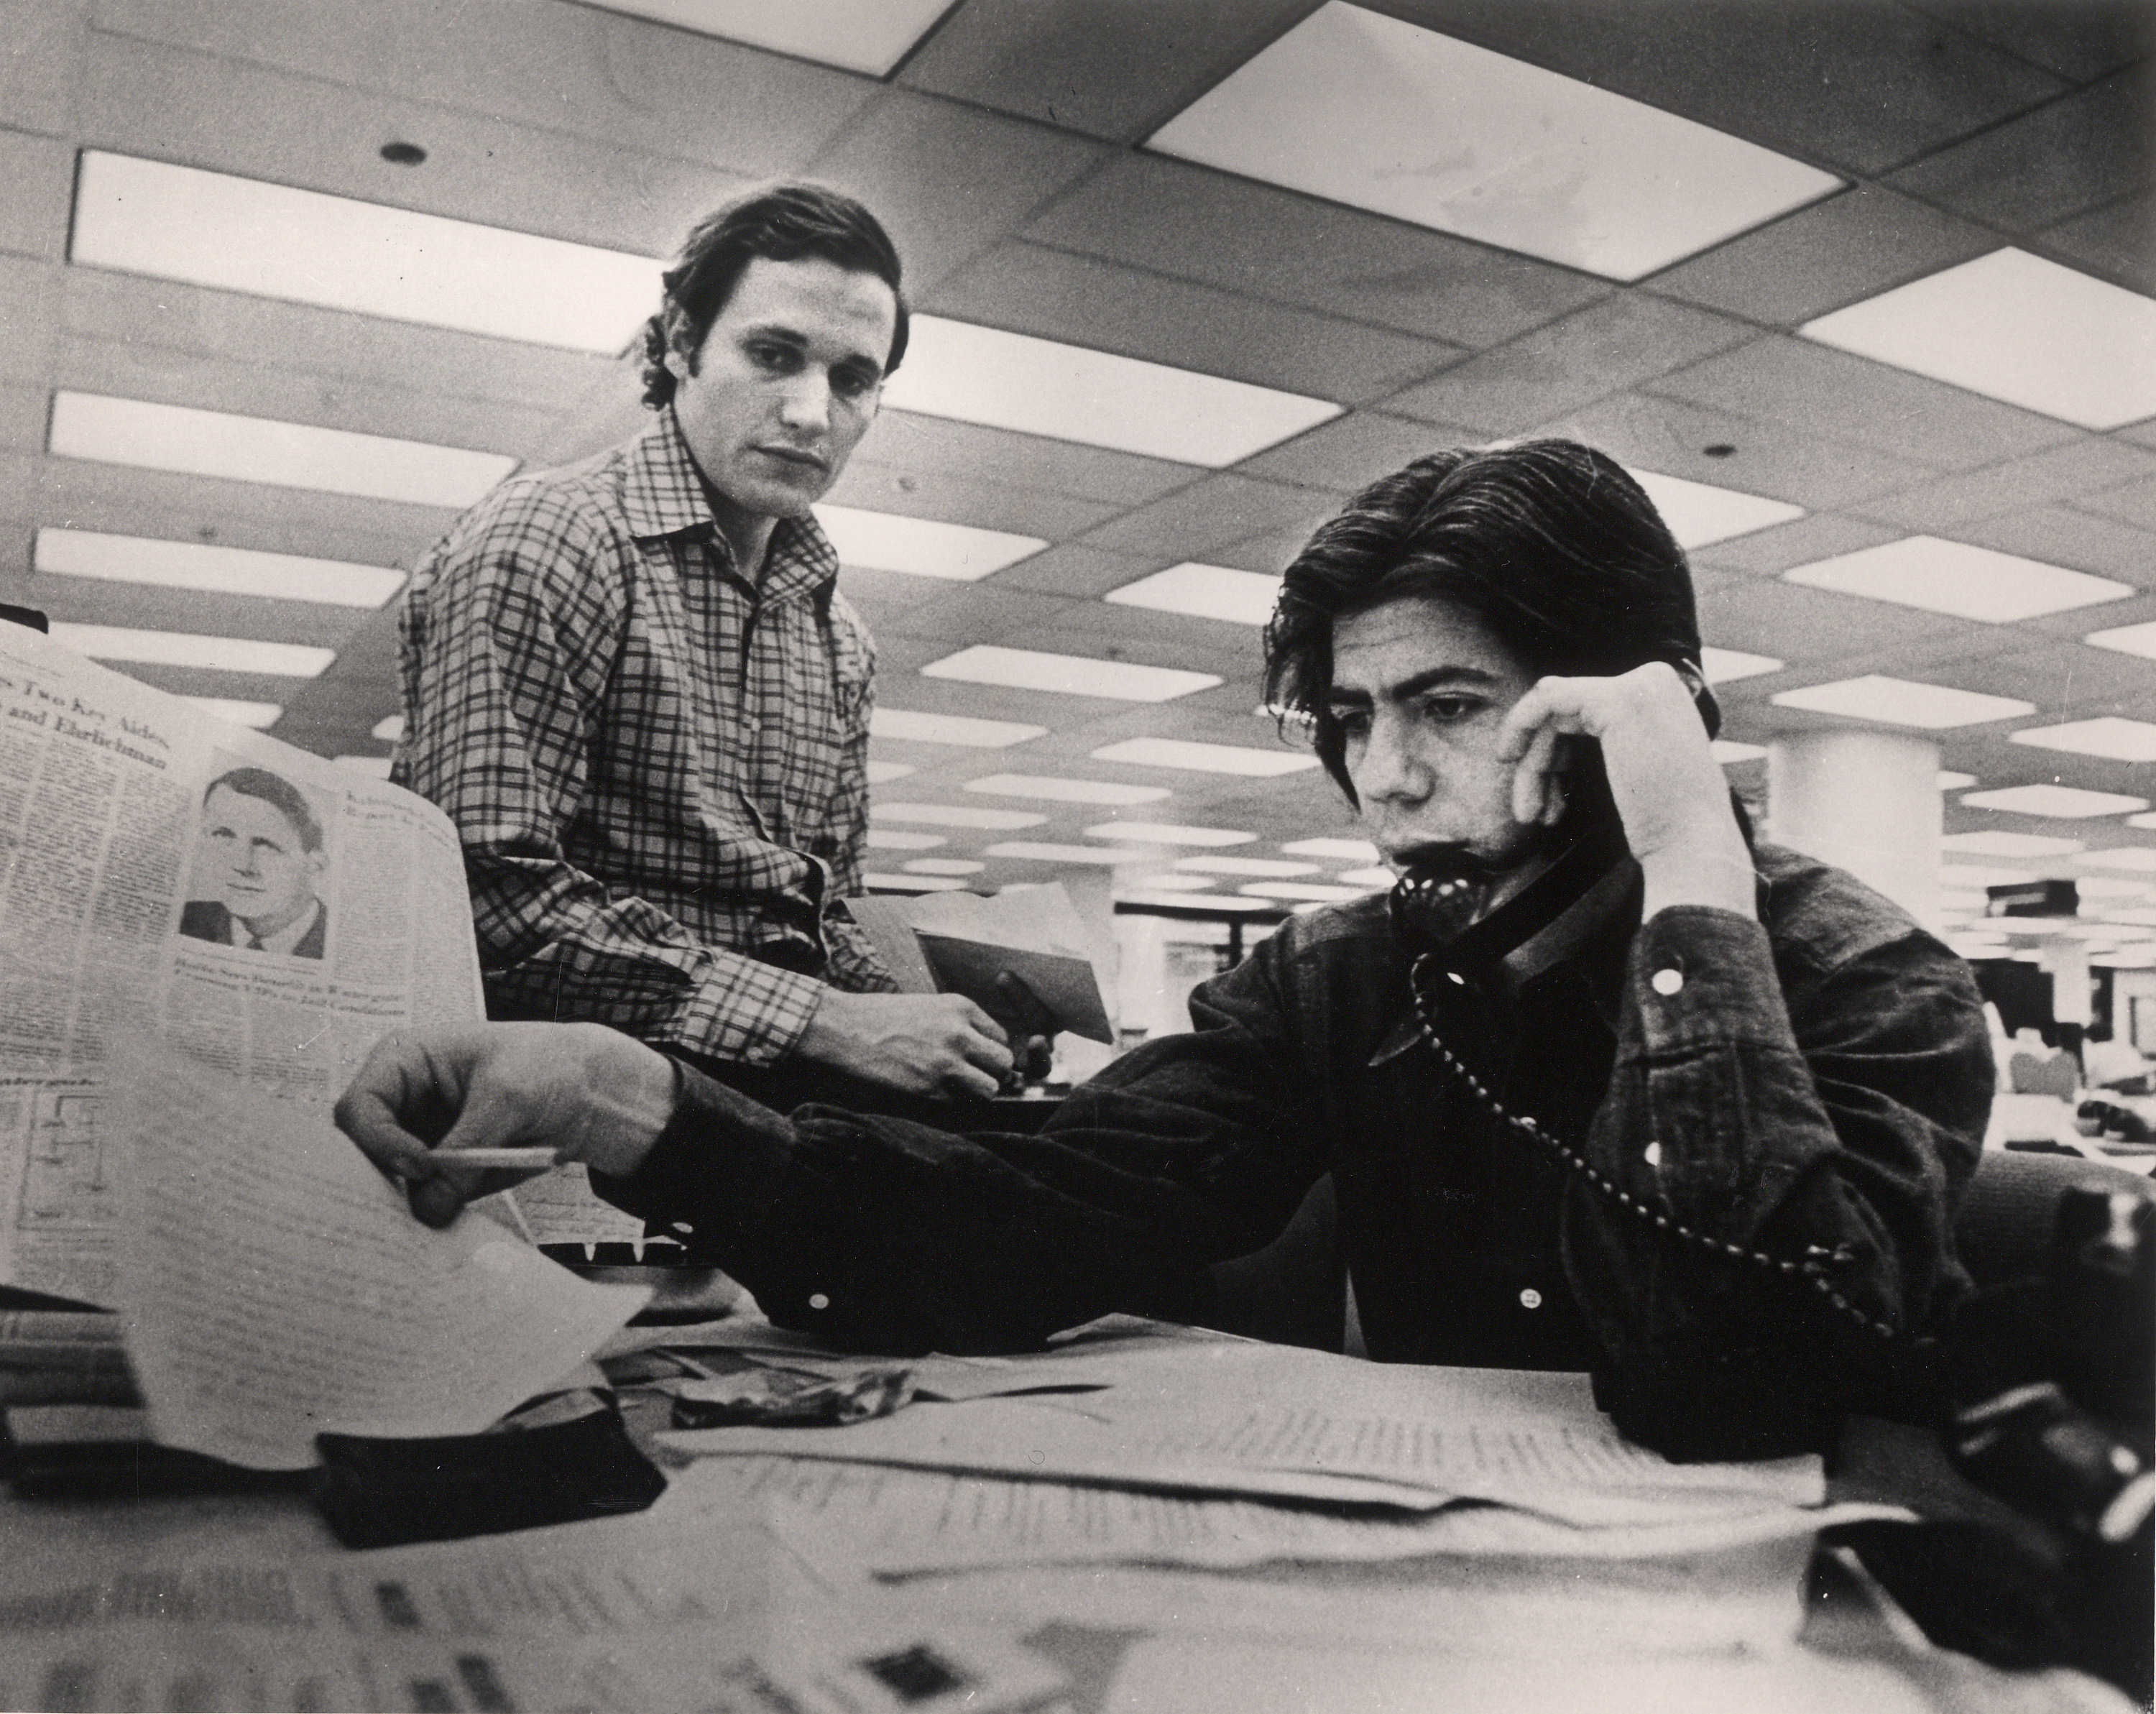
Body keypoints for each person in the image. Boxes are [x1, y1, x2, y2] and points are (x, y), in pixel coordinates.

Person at [343, 441, 1994, 1457]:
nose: (1385, 774)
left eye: (1448, 705)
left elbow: (1726, 1383)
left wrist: (1687, 858)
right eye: (1352, 717)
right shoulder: (1343, 980)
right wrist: (630, 1100)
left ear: (1638, 706)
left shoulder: (1875, 984)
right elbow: (1038, 1221)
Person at [394, 183, 1025, 1105]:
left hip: (760, 1123)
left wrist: (942, 1030)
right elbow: (489, 909)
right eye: (774, 355)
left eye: (852, 379)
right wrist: (824, 1023)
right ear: (681, 344)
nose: (813, 412)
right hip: (571, 1123)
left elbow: (822, 916)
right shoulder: (551, 541)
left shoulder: (839, 633)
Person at [180, 768, 329, 959]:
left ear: (315, 865)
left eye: (265, 845)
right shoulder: (186, 920)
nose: (241, 865)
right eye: (224, 834)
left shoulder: (337, 941)